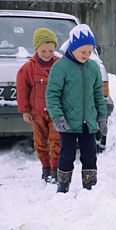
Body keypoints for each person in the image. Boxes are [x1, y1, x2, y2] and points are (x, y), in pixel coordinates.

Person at [45, 24, 107, 193]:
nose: (86, 55)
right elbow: (52, 94)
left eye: (90, 51)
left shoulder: (93, 67)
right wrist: (57, 117)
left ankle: (90, 187)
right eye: (83, 52)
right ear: (73, 48)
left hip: (88, 122)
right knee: (67, 155)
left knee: (90, 155)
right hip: (68, 122)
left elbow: (98, 95)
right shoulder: (60, 67)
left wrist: (102, 116)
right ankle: (63, 186)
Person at [16, 28, 60, 183]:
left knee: (56, 140)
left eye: (50, 50)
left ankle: (56, 169)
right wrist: (25, 110)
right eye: (43, 51)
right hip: (37, 113)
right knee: (40, 141)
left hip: (56, 112)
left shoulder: (60, 65)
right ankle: (45, 168)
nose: (47, 54)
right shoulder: (28, 68)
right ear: (36, 49)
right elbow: (22, 90)